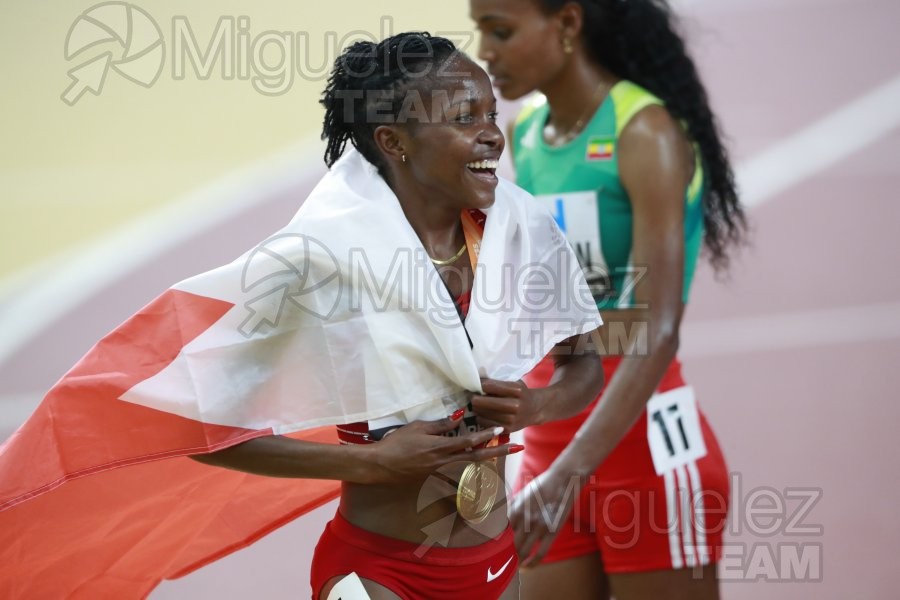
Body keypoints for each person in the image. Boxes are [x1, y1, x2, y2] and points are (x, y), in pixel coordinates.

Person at [191, 32, 606, 600]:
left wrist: (540, 404)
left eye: (491, 112)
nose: (493, 134)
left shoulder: (519, 227)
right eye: (465, 116)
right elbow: (201, 427)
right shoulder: (320, 255)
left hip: (495, 568)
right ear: (394, 140)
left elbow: (584, 363)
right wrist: (375, 464)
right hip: (380, 575)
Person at [469, 1, 747, 599]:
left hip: (644, 445)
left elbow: (657, 327)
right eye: (481, 30)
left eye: (502, 30)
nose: (485, 50)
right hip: (551, 441)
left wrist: (571, 471)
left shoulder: (644, 132)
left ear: (567, 24)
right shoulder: (523, 135)